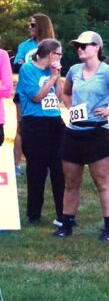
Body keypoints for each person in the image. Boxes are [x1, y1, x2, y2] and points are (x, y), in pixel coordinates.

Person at [56, 31, 109, 239]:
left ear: (97, 48)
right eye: (77, 46)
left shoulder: (108, 72)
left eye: (84, 45)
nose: (80, 49)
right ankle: (66, 224)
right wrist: (70, 108)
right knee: (70, 181)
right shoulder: (74, 70)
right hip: (74, 132)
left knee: (102, 181)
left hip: (97, 133)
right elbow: (65, 93)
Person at [15, 39, 65, 225]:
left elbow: (59, 96)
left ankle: (63, 213)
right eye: (59, 54)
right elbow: (36, 97)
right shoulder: (28, 69)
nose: (61, 57)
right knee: (37, 169)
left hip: (55, 122)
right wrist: (51, 78)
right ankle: (34, 213)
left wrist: (57, 75)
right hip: (35, 123)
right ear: (51, 54)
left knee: (60, 168)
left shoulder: (53, 71)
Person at [12, 14, 56, 173]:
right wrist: (21, 63)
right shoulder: (25, 46)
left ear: (42, 27)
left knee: (48, 128)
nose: (29, 28)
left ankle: (47, 163)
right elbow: (17, 64)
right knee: (21, 127)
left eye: (33, 25)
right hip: (24, 92)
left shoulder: (54, 45)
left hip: (47, 92)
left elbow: (57, 66)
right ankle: (16, 165)